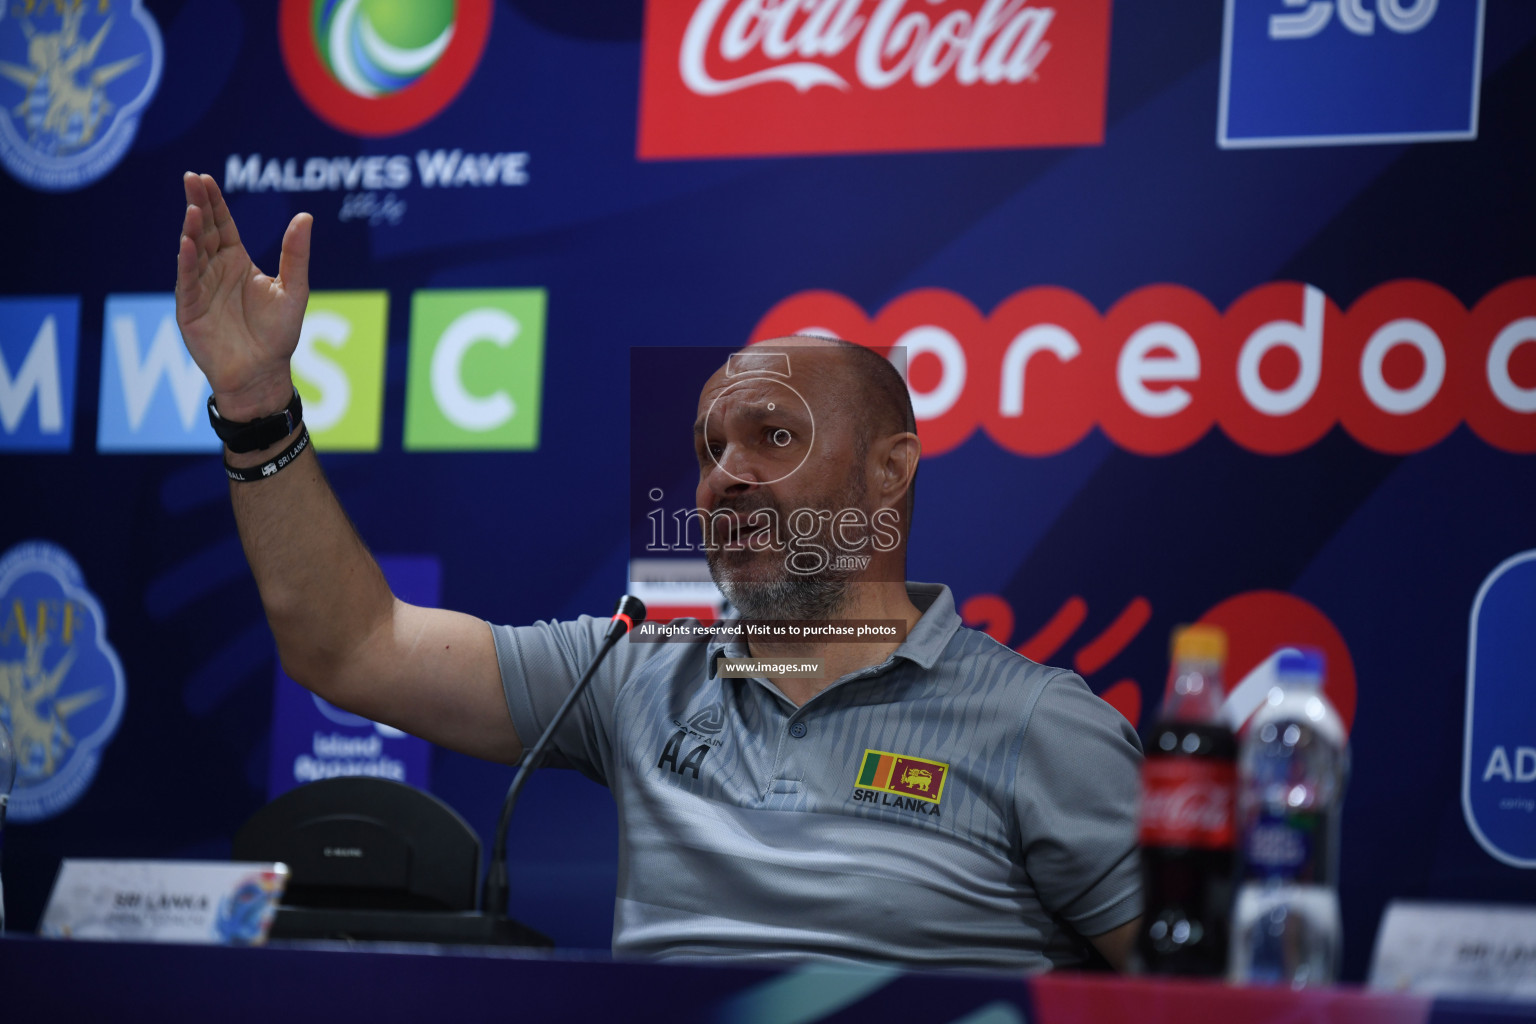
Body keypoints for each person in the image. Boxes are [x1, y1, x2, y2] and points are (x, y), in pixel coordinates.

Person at [175, 171, 1144, 972]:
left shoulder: (1039, 726)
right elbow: (354, 647)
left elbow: (1204, 997)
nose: (726, 476)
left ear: (890, 469)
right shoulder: (636, 673)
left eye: (773, 436)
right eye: (709, 448)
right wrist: (257, 402)